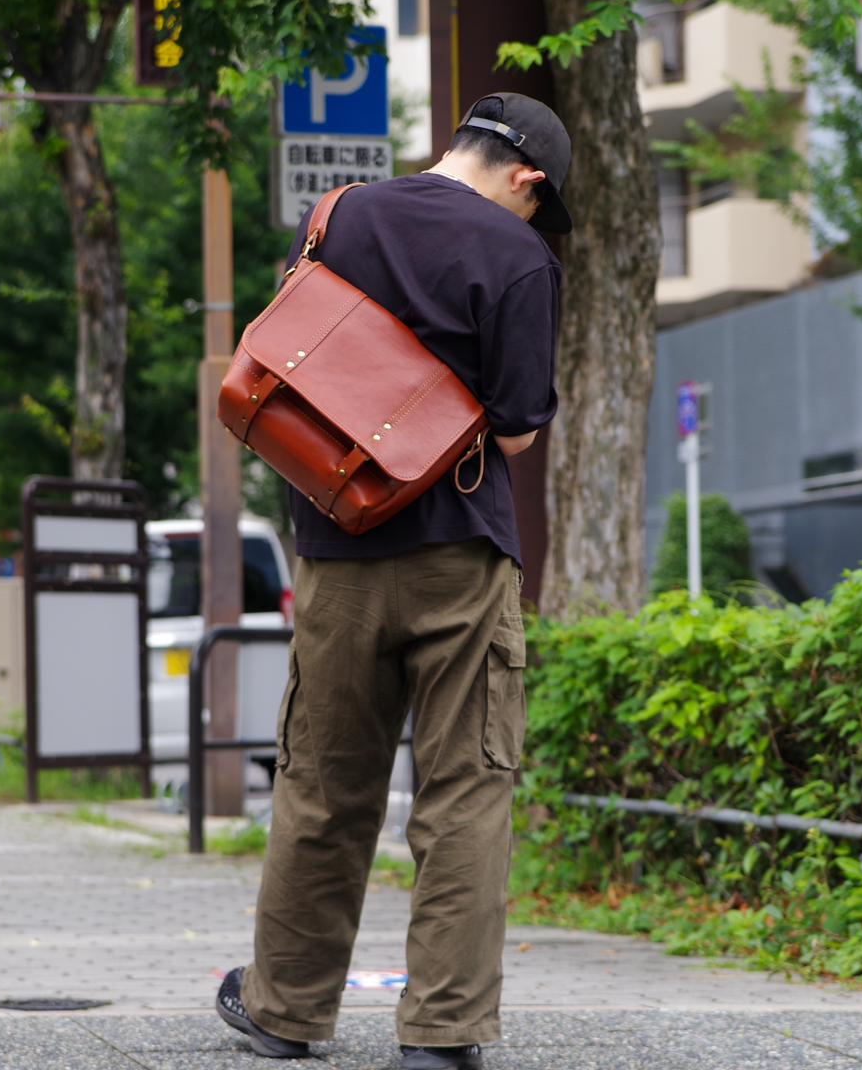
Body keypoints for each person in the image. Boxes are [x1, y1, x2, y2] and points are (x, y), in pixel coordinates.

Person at [216, 93, 570, 1070]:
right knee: (465, 790)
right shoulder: (519, 258)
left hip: (337, 547)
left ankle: (283, 1010)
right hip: (459, 548)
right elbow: (515, 427)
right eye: (538, 203)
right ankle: (441, 1035)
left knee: (323, 784)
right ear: (525, 176)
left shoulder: (340, 214)